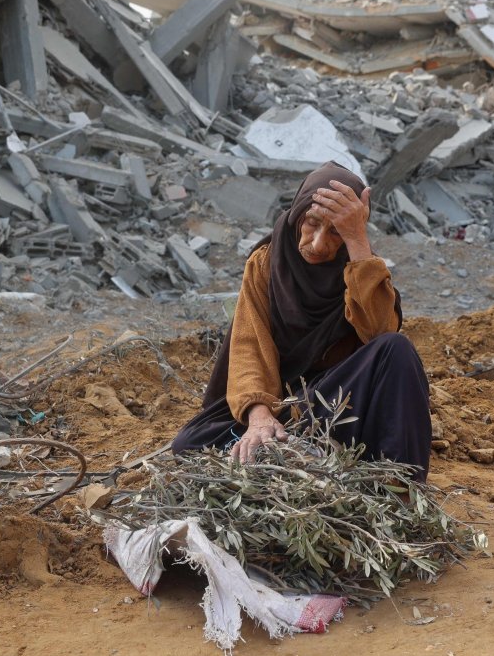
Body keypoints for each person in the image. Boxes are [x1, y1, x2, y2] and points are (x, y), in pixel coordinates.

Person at [170, 161, 432, 481]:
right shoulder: (267, 262)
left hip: (337, 405)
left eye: (336, 232)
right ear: (296, 214)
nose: (319, 244)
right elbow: (249, 344)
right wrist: (260, 415)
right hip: (280, 406)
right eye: (312, 224)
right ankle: (295, 450)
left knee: (396, 348)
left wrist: (358, 242)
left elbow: (380, 331)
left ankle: (398, 485)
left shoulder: (359, 266)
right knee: (190, 444)